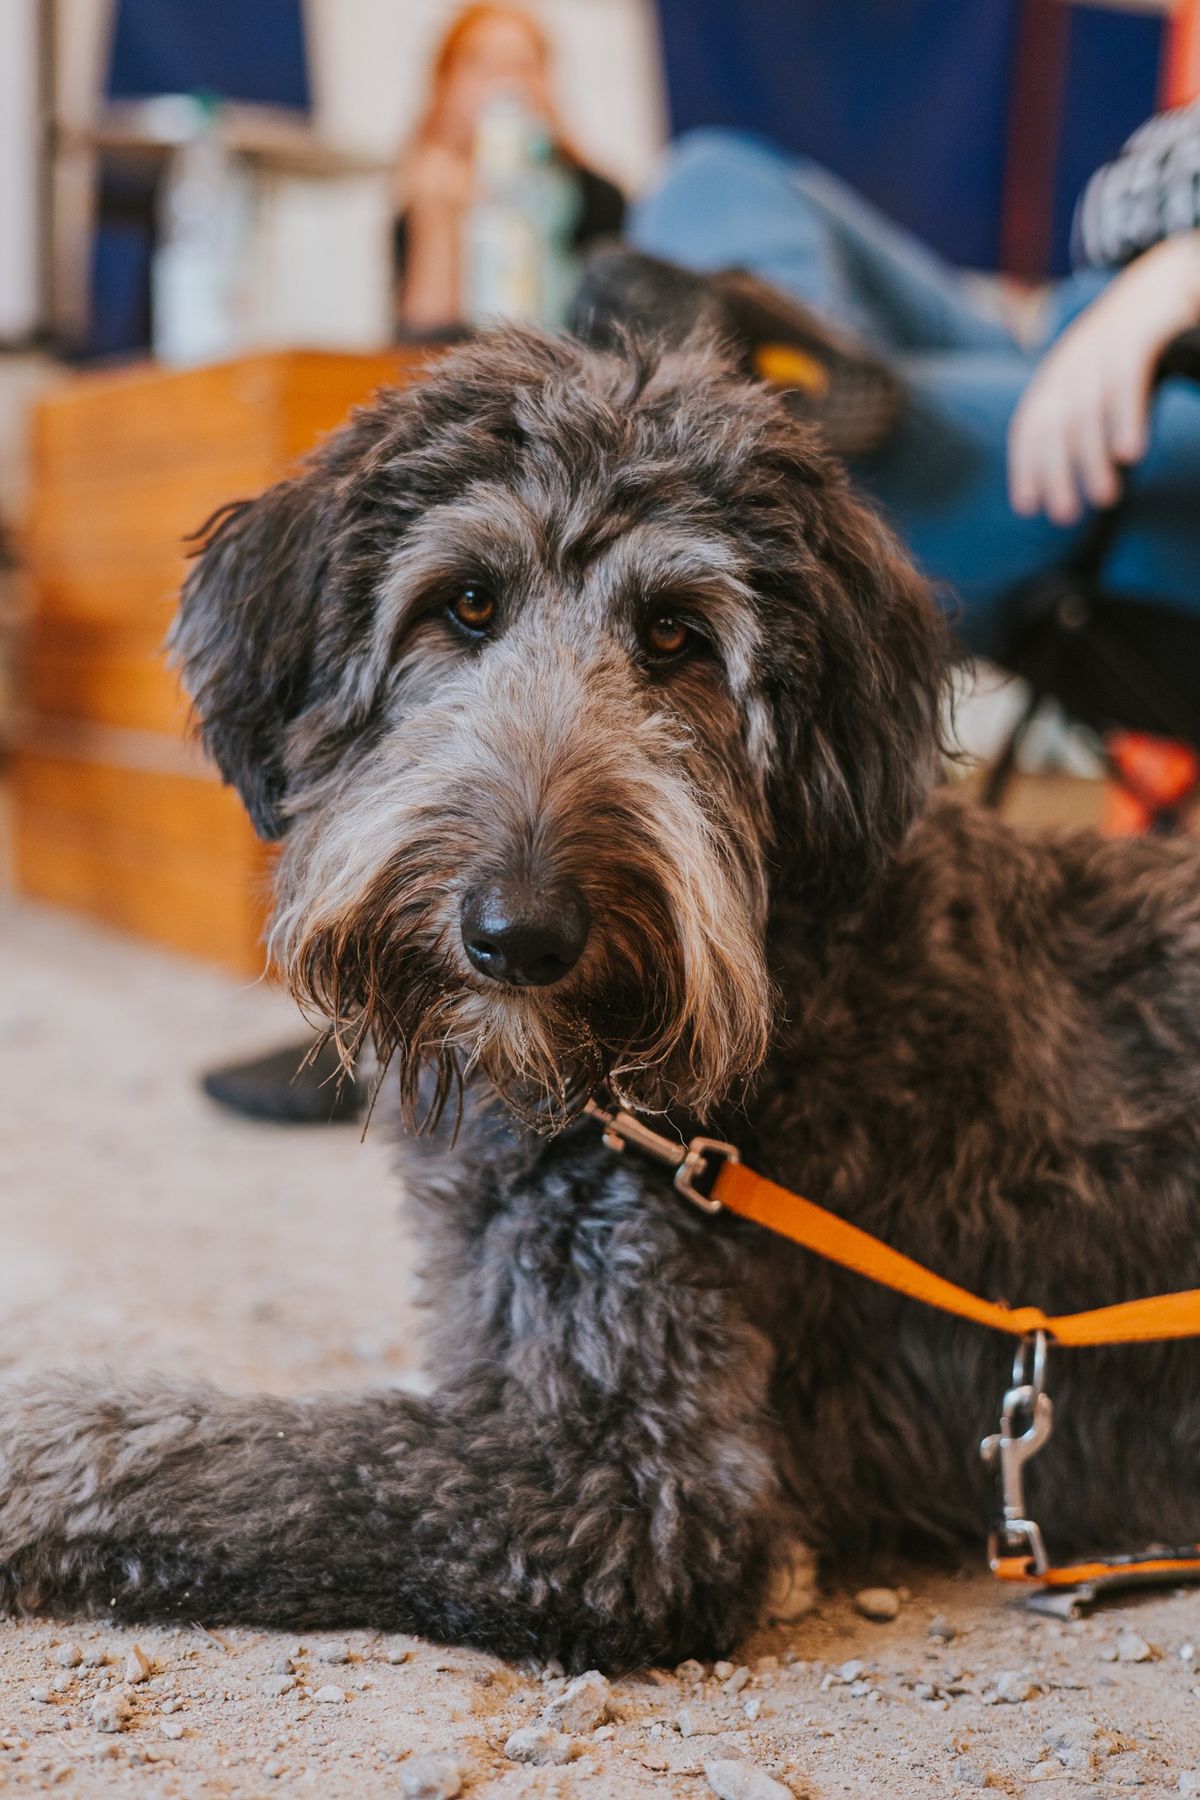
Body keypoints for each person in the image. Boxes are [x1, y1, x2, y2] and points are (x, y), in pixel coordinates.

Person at [624, 108, 1200, 658]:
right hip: (1075, 336)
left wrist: (1181, 274)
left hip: (1173, 376)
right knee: (711, 174)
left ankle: (715, 402)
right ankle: (787, 365)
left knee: (774, 470)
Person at [393, 3, 625, 333]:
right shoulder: (421, 210)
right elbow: (415, 356)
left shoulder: (598, 199)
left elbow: (618, 338)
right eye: (482, 64)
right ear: (446, 85)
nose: (505, 81)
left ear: (546, 85)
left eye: (523, 65)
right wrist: (437, 224)